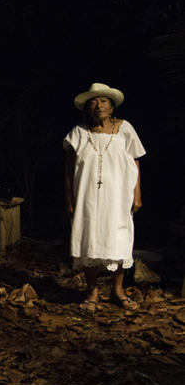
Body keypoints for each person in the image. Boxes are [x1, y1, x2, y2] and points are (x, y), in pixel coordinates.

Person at [64, 83, 145, 313]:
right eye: (93, 102)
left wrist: (137, 193)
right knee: (89, 238)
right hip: (87, 197)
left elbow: (135, 161)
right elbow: (69, 171)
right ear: (87, 109)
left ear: (111, 106)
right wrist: (69, 199)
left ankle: (117, 291)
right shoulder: (79, 133)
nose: (98, 106)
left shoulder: (125, 129)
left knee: (118, 239)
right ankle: (92, 291)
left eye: (103, 101)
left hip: (118, 196)